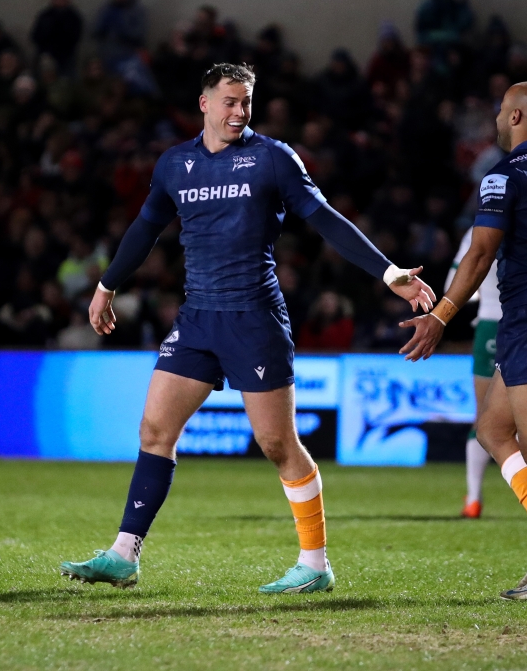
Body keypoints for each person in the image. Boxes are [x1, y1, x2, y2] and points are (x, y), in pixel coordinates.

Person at [60, 63, 435, 593]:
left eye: (247, 103)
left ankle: (315, 564)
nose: (239, 112)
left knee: (278, 444)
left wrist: (388, 271)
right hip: (197, 319)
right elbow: (145, 229)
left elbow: (324, 218)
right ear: (204, 103)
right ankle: (125, 553)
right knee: (155, 432)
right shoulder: (175, 164)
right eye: (230, 102)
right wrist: (106, 285)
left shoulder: (272, 158)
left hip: (254, 317)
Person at [400, 81, 527, 601]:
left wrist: (440, 316)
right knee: (491, 428)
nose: (494, 119)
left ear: (514, 117)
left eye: (500, 111)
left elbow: (480, 254)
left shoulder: (504, 175)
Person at [445, 227, 501, 519]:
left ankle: (474, 498)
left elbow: (454, 283)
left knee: (484, 417)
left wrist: (483, 294)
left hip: (492, 322)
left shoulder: (478, 229)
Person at [30, 0, 84, 77]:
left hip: (66, 57)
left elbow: (75, 37)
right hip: (46, 55)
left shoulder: (74, 17)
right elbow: (35, 36)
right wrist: (46, 52)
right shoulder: (45, 16)